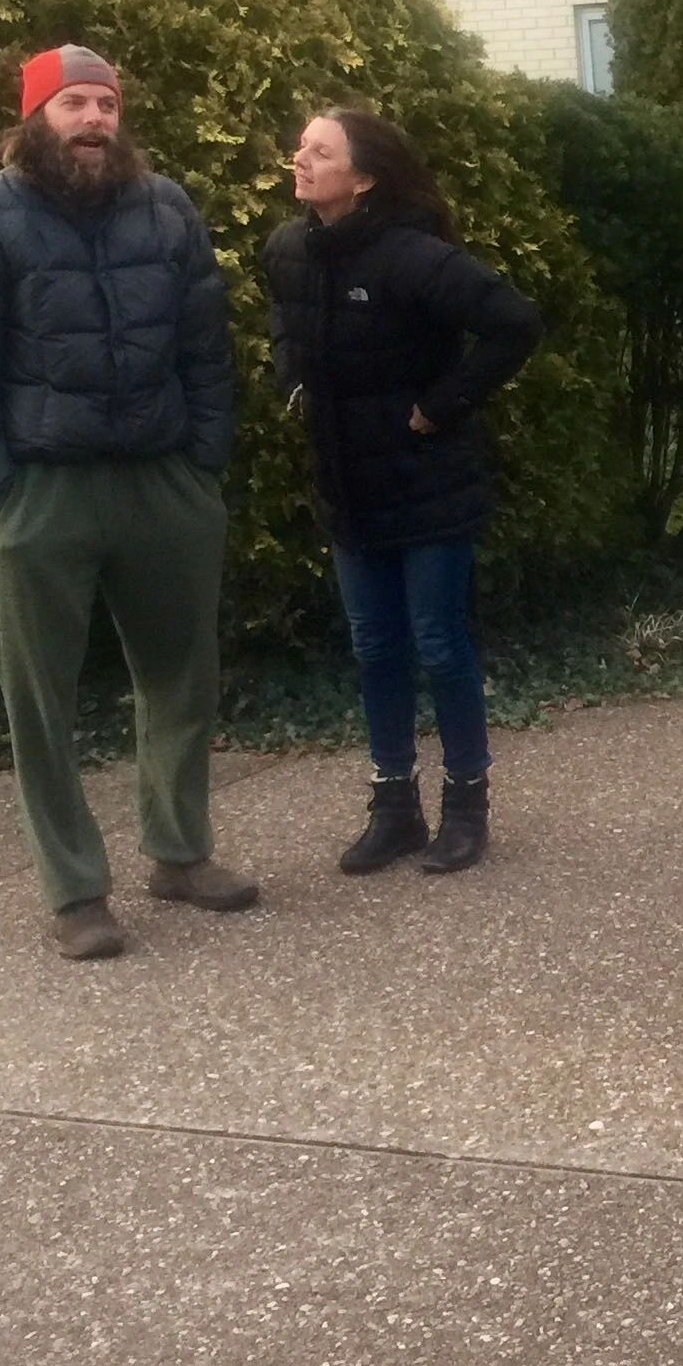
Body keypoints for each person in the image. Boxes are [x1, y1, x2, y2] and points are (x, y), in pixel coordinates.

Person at [0, 44, 256, 961]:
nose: (95, 119)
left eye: (106, 103)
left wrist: (202, 462)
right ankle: (74, 892)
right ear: (35, 119)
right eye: (74, 104)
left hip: (163, 483)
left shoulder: (166, 207)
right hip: (42, 490)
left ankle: (181, 856)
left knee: (183, 677)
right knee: (41, 701)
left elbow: (204, 344)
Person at [265, 109, 542, 875]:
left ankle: (465, 807)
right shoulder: (289, 249)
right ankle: (394, 809)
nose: (301, 159)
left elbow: (515, 323)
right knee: (374, 646)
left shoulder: (414, 256)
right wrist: (294, 386)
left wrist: (442, 403)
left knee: (437, 643)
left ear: (364, 176)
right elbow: (284, 324)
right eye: (302, 148)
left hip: (429, 489)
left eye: (320, 152)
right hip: (347, 489)